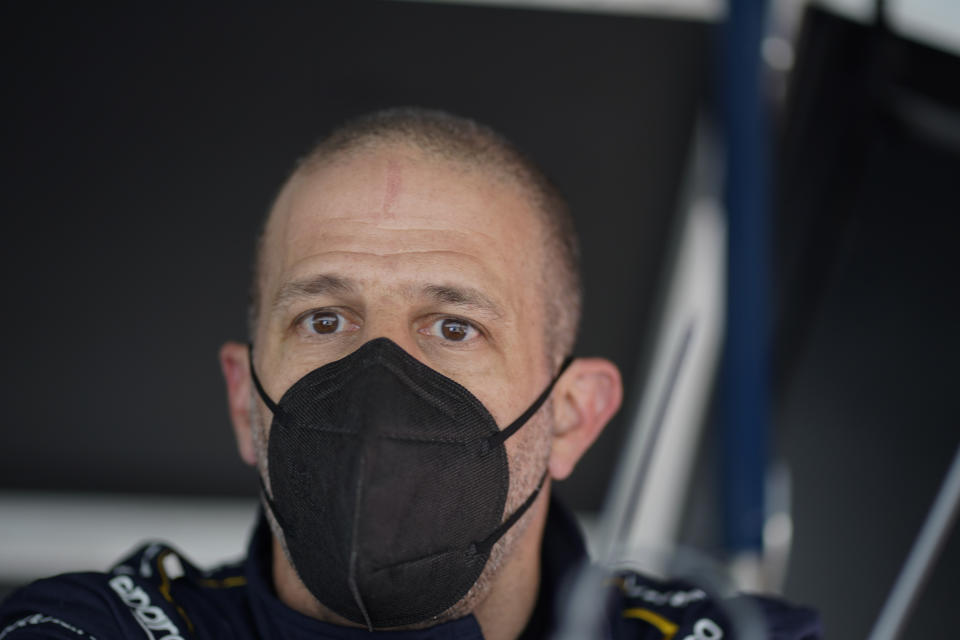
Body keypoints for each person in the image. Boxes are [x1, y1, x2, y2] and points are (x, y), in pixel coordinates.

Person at [0, 108, 821, 639]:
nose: (381, 374)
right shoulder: (98, 626)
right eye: (324, 320)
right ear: (242, 396)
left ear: (573, 416)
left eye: (454, 326)